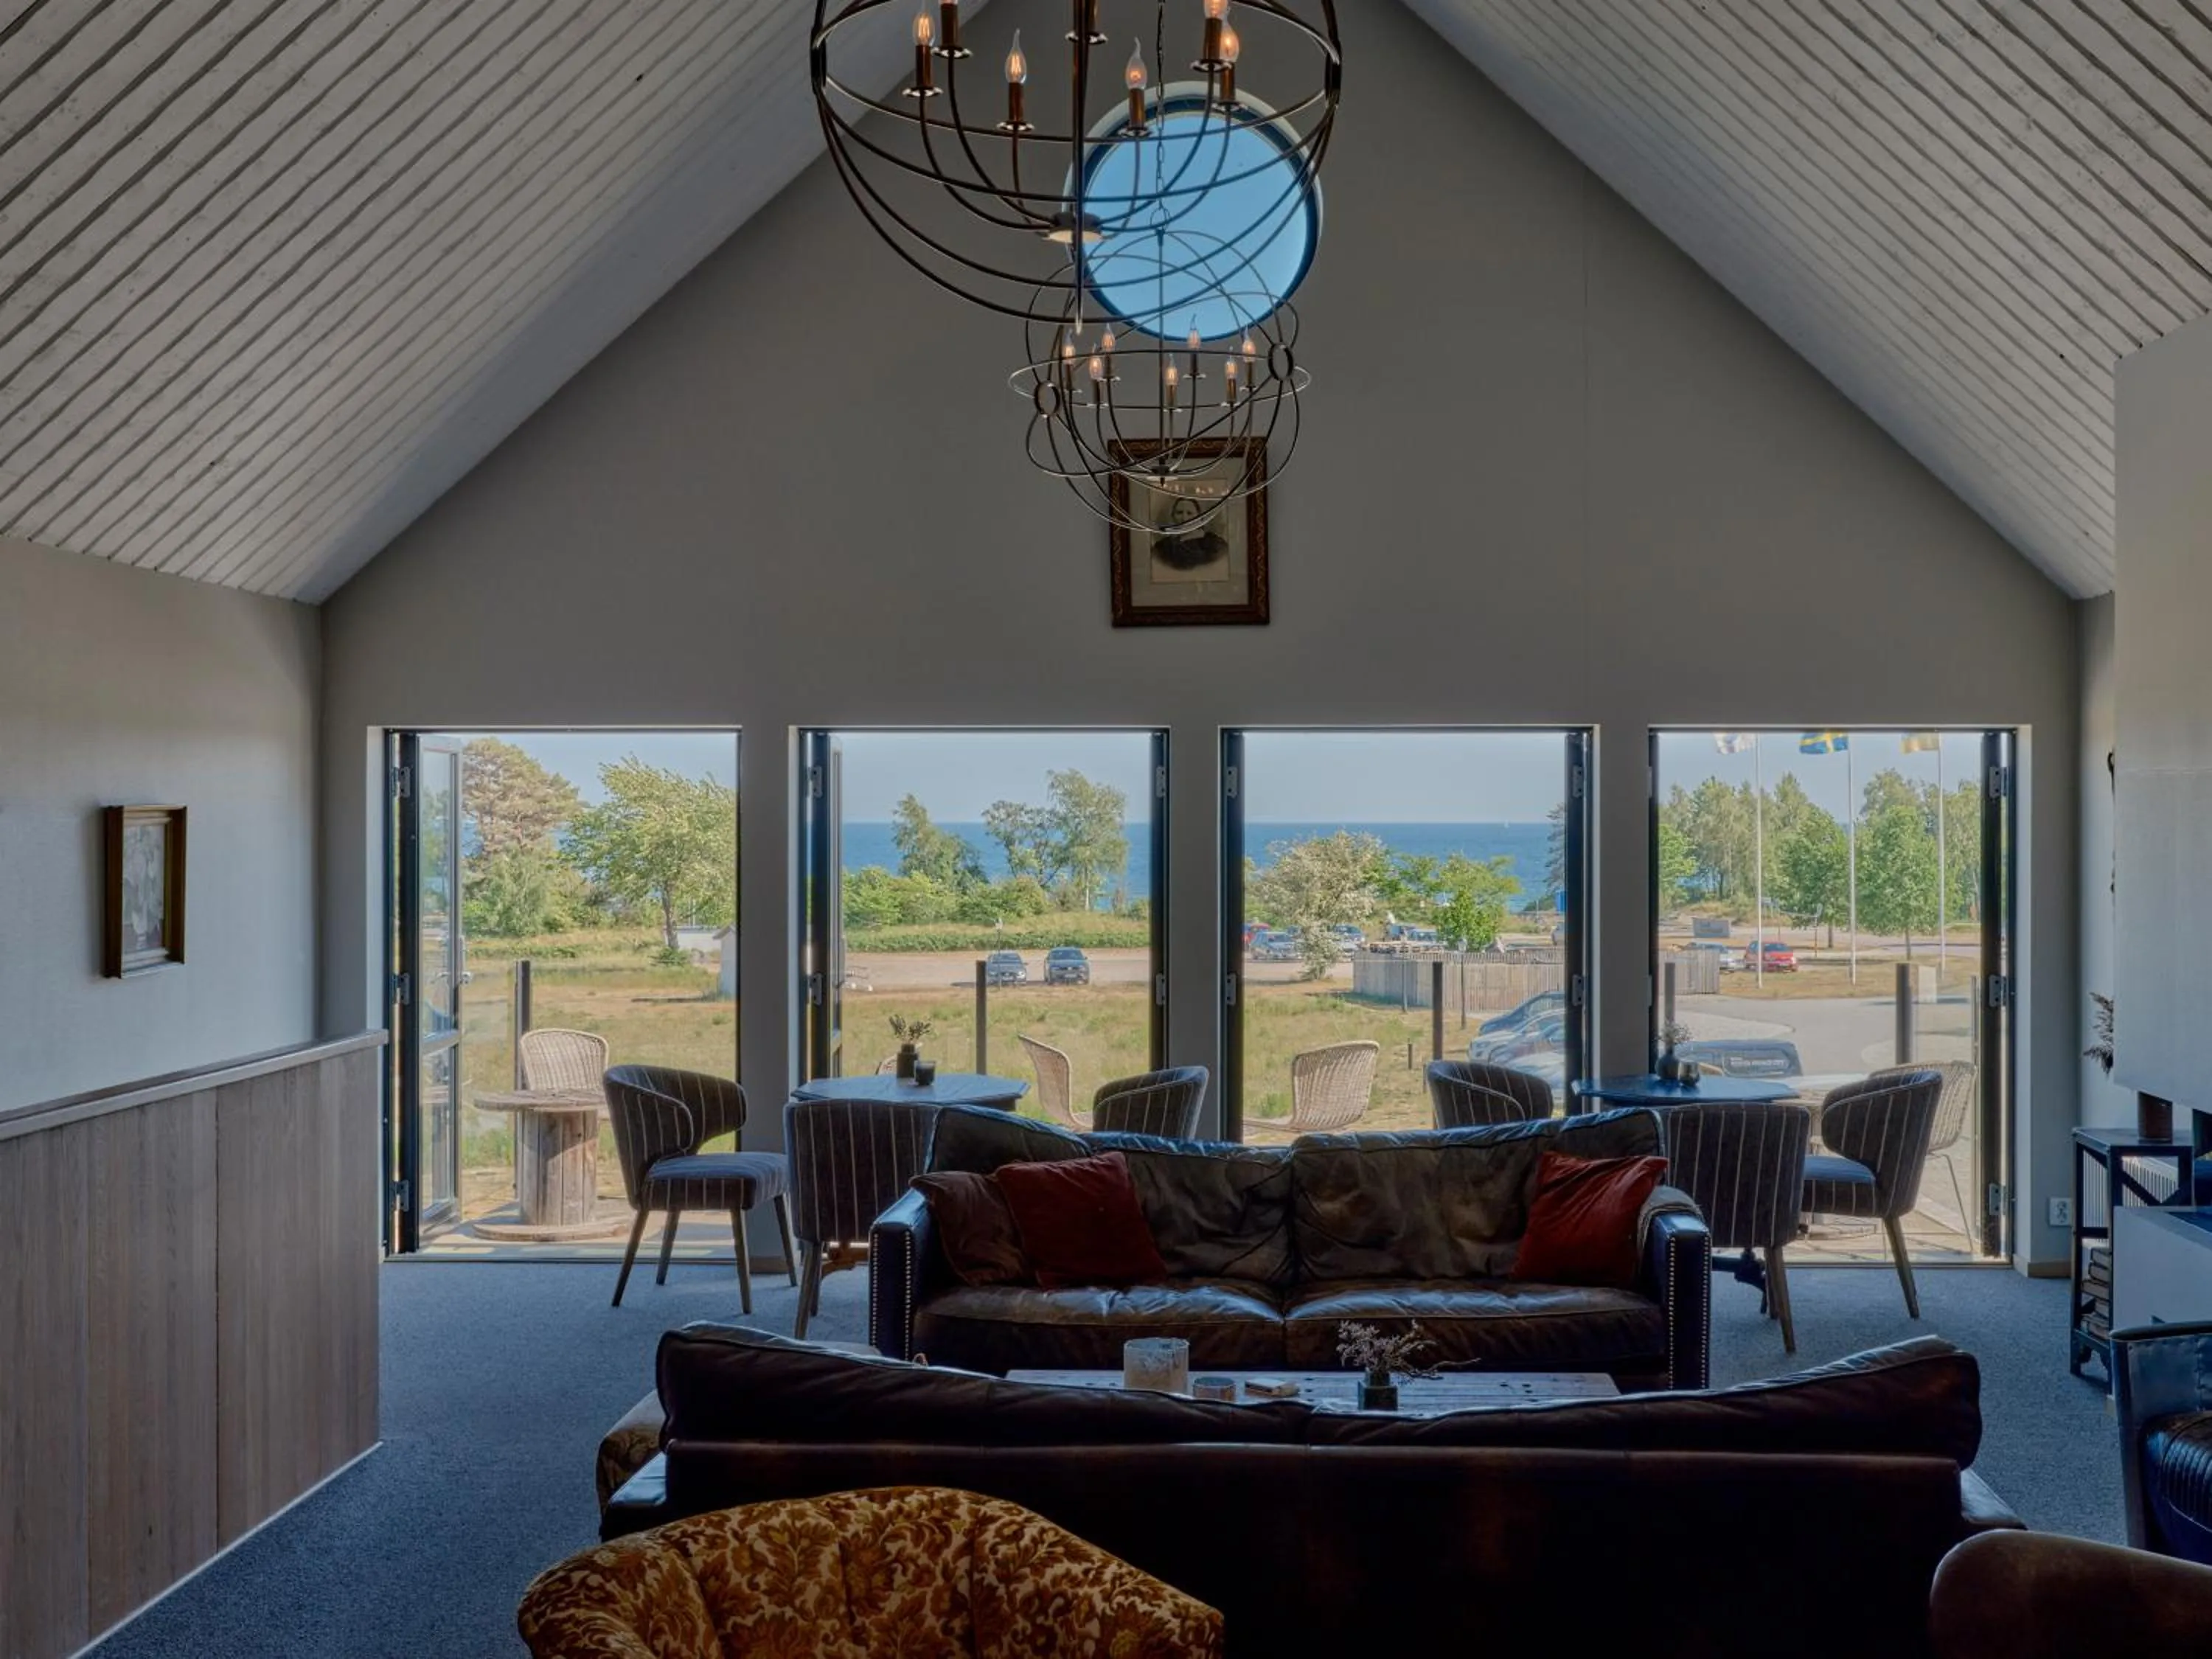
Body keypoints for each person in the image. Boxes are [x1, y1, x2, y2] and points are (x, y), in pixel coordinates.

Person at [1150, 490, 1231, 574]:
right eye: (1179, 513)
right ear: (1173, 516)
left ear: (1199, 518)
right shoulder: (1162, 548)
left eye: (1190, 513)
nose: (1184, 518)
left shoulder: (1215, 545)